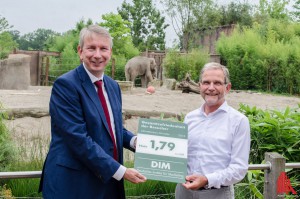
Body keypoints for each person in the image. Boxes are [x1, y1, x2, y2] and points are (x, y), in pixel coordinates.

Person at [39, 24, 146, 199]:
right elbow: (78, 138)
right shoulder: (65, 85)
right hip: (73, 185)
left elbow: (111, 127)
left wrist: (135, 141)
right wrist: (120, 171)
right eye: (91, 48)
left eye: (103, 48)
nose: (97, 55)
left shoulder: (113, 86)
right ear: (80, 51)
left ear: (110, 52)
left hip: (106, 183)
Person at [175, 62, 251, 199]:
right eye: (206, 82)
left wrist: (207, 179)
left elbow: (239, 169)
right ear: (199, 86)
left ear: (227, 88)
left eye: (217, 83)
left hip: (217, 194)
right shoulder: (189, 118)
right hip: (183, 191)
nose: (211, 88)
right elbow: (179, 154)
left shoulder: (239, 121)